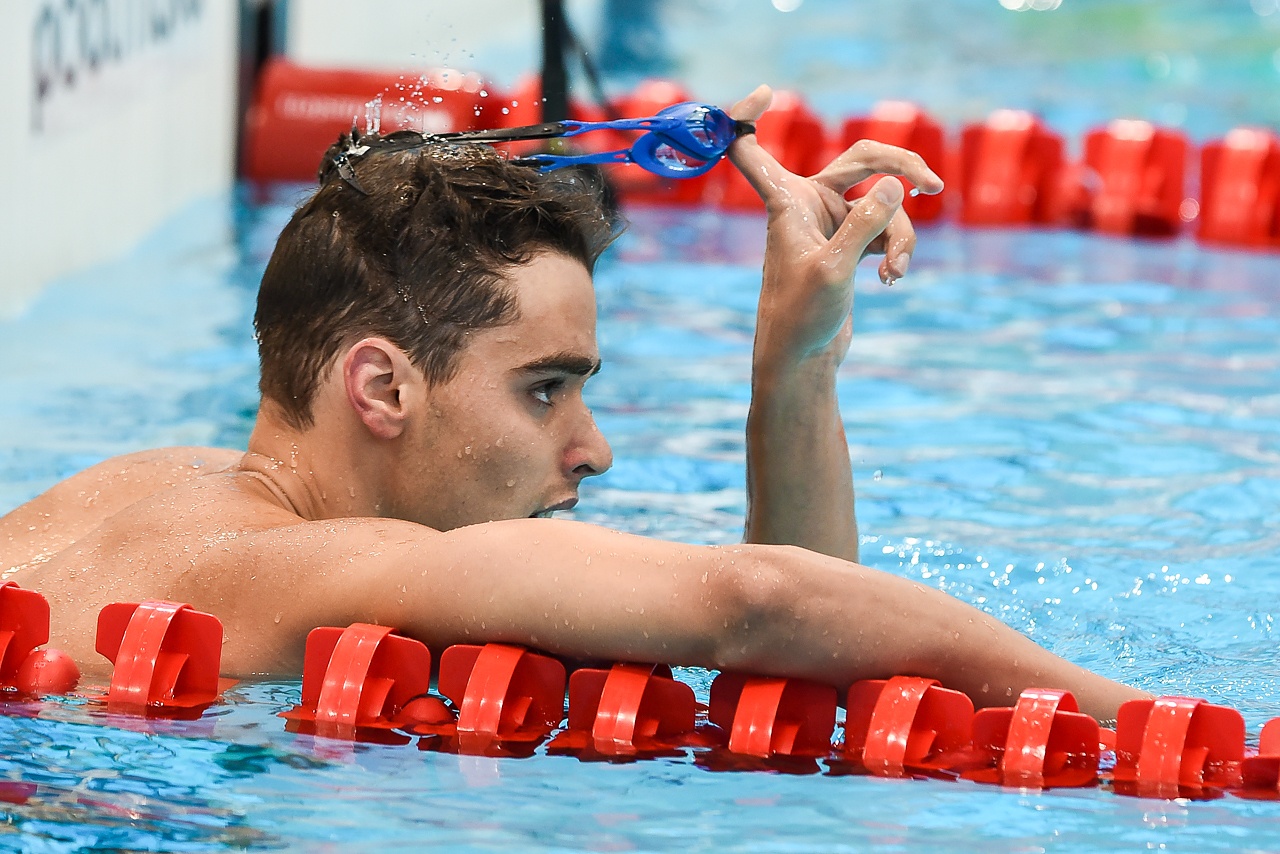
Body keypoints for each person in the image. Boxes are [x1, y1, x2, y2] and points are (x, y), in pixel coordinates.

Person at [0, 87, 1146, 721]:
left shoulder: (133, 488)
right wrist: (1153, 718)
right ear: (381, 386)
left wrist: (792, 364)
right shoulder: (323, 568)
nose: (590, 451)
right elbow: (758, 602)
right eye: (543, 390)